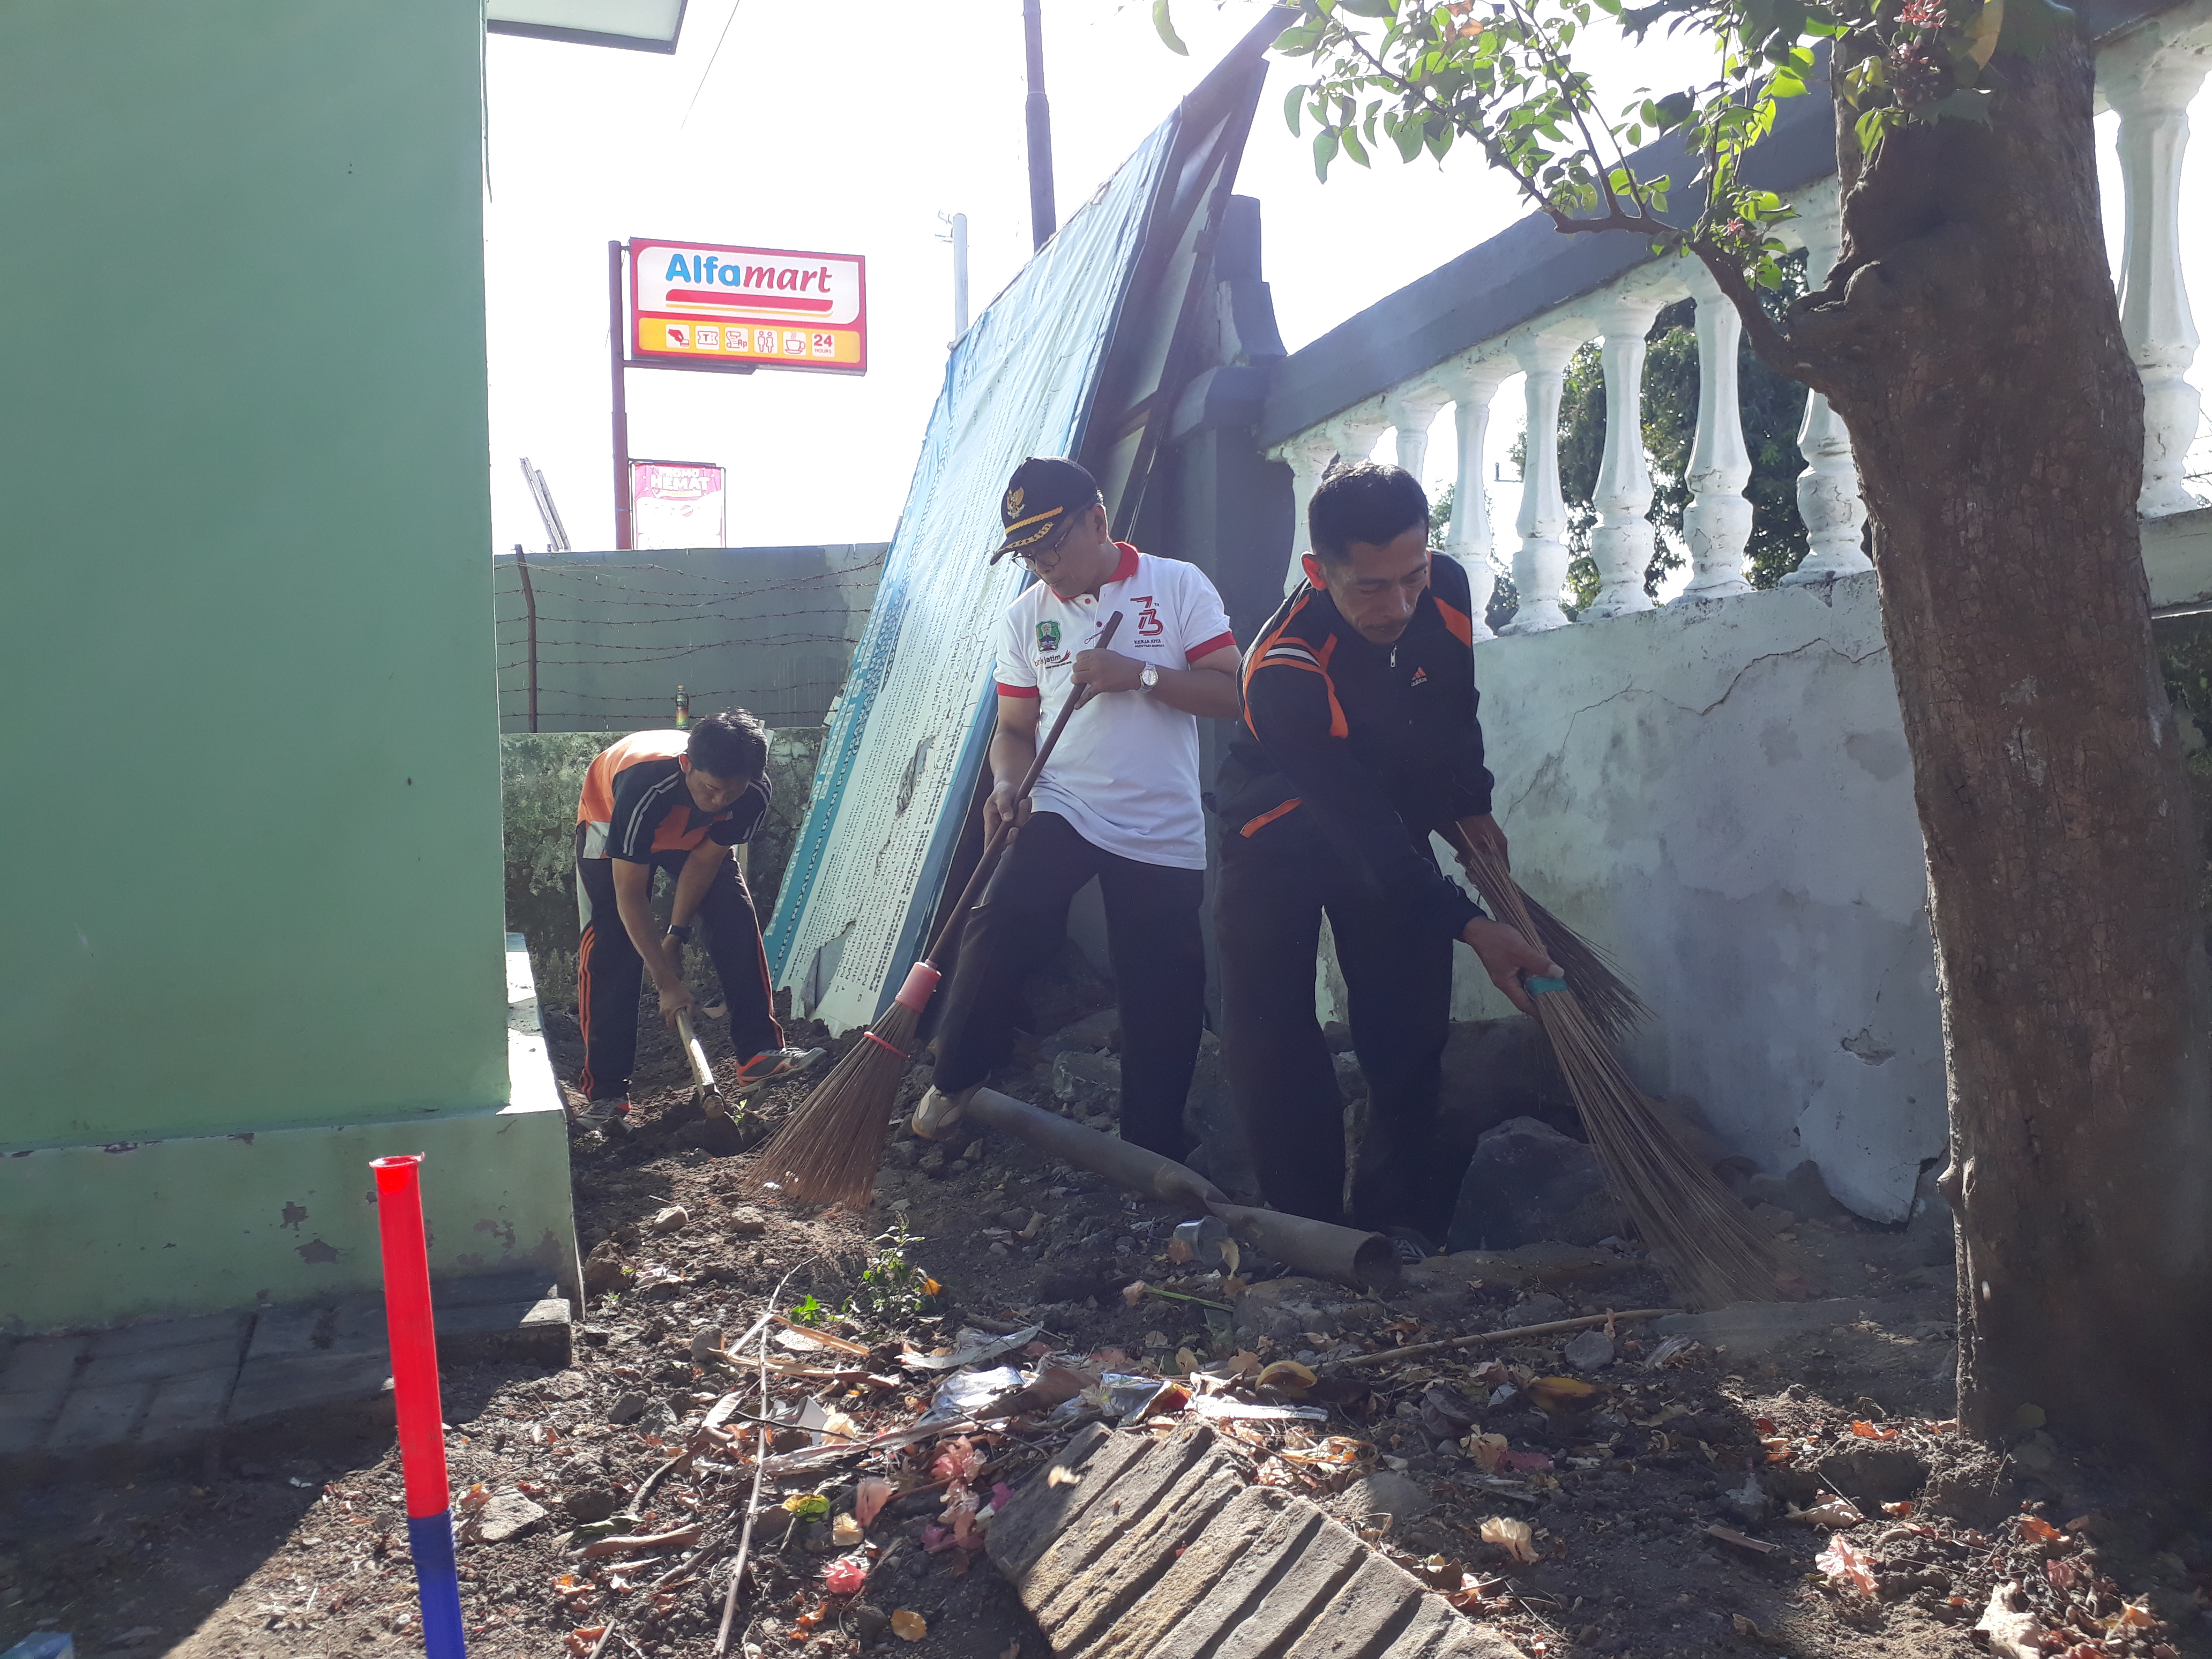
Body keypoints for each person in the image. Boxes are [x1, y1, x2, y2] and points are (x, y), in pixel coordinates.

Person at [1215, 462, 1558, 1255]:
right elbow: (1365, 840)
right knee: (1270, 1028)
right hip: (1276, 823)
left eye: (1412, 576)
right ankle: (1307, 1231)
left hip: (1382, 808)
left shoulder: (1446, 589)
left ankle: (1395, 1219)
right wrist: (1475, 927)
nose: (1399, 605)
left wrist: (1469, 805)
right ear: (1317, 571)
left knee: (1408, 1021)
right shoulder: (1280, 671)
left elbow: (1450, 709)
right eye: (1370, 588)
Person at [910, 455, 1243, 1157]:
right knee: (1003, 912)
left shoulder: (1177, 586)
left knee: (1164, 990)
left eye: (1051, 544)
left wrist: (1141, 675)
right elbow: (1013, 731)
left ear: (1097, 520)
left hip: (1160, 820)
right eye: (1028, 553)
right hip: (1065, 799)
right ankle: (956, 1078)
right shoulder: (1026, 618)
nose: (1042, 565)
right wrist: (1007, 784)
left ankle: (1149, 1151)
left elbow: (1231, 692)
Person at [571, 709, 821, 1129]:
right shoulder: (644, 784)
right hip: (612, 816)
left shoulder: (753, 793)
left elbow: (705, 863)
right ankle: (607, 1093)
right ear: (688, 765)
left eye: (731, 792)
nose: (720, 801)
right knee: (614, 942)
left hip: (691, 835)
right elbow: (630, 895)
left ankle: (758, 1053)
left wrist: (676, 936)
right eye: (711, 789)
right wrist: (667, 983)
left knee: (734, 913)